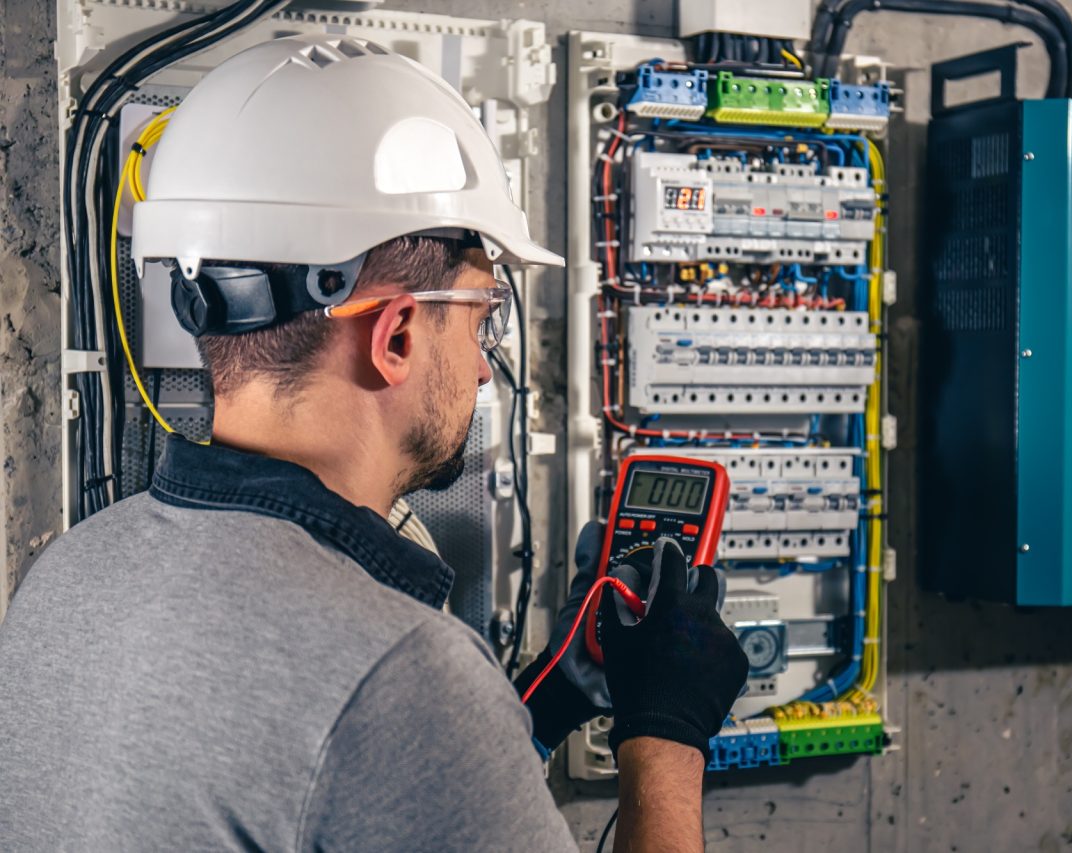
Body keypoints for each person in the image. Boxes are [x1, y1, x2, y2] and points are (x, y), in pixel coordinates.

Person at [0, 35, 747, 851]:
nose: (486, 368)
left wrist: (550, 699)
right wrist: (667, 738)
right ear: (393, 336)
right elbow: (368, 739)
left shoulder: (68, 577)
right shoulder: (400, 675)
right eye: (481, 315)